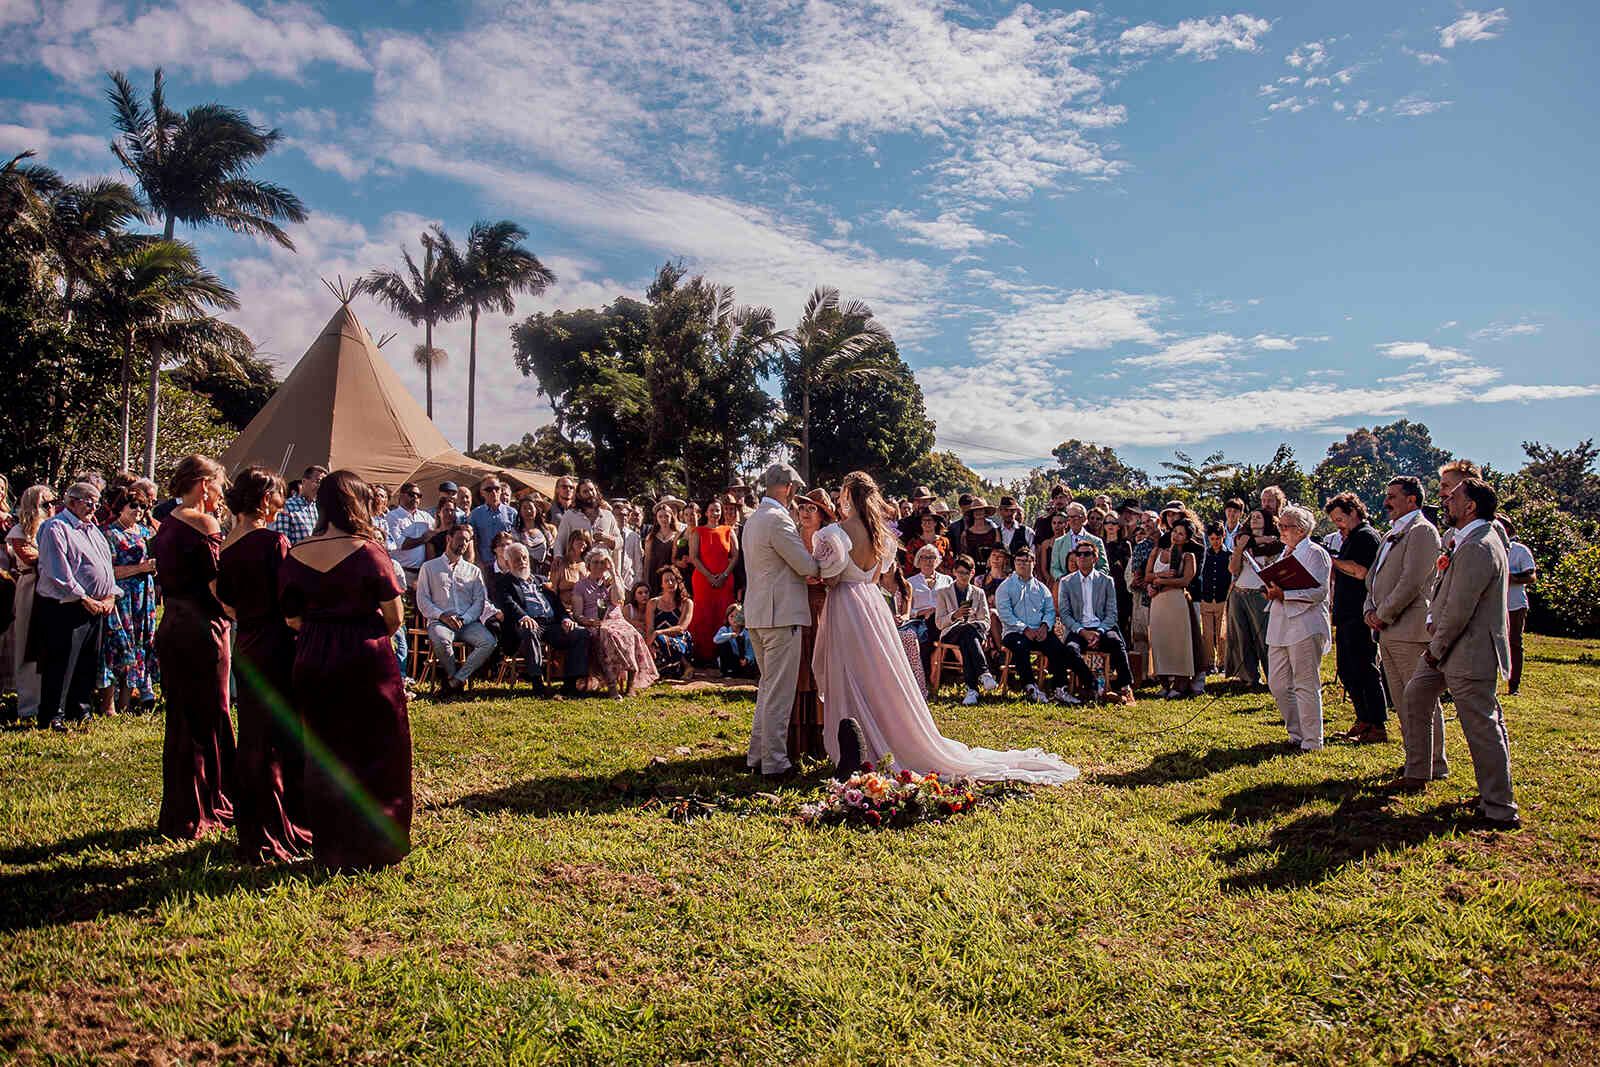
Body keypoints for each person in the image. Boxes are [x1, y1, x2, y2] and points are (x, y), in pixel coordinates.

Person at [813, 471, 1078, 782]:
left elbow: (829, 578)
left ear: (846, 495)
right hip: (871, 606)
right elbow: (875, 579)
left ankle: (855, 744)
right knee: (877, 674)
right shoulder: (880, 536)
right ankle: (879, 736)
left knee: (849, 671)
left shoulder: (836, 533)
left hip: (845, 603)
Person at [279, 469, 410, 869]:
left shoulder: (298, 552)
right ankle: (375, 843)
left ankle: (332, 844)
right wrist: (360, 631)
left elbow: (290, 618)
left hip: (314, 654)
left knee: (324, 749)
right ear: (358, 503)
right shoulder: (369, 551)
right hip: (365, 653)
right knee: (379, 746)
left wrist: (323, 629)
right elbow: (395, 617)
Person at [1391, 478, 1518, 828]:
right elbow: (1446, 591)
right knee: (1416, 694)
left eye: (1453, 498)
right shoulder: (1466, 540)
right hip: (1450, 647)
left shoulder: (1479, 546)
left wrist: (1435, 648)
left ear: (1470, 507)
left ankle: (1499, 808)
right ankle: (1420, 771)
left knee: (1481, 725)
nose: (1445, 501)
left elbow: (1462, 609)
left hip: (1468, 650)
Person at [216, 466, 310, 863]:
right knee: (280, 737)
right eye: (277, 495)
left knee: (255, 734)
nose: (282, 502)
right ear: (262, 498)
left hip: (248, 642)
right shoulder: (273, 542)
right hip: (276, 642)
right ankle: (277, 825)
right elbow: (290, 606)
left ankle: (255, 823)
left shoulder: (226, 545)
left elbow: (225, 603)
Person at [151, 456, 236, 838]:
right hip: (202, 629)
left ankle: (182, 806)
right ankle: (207, 803)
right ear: (204, 484)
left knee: (182, 717)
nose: (222, 495)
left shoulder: (167, 523)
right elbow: (220, 589)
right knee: (209, 714)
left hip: (172, 625)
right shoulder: (204, 523)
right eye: (220, 486)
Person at [742, 463, 821, 778]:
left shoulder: (754, 520)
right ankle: (775, 762)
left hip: (759, 613)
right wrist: (821, 564)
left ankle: (757, 756)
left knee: (767, 687)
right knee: (779, 691)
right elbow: (805, 565)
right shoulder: (778, 521)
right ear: (789, 488)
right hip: (781, 614)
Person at [1364, 476, 1443, 759]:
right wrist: (1368, 609)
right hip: (1386, 629)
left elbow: (1412, 581)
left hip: (1409, 629)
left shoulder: (1422, 531)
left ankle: (1433, 761)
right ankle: (1415, 757)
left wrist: (1382, 614)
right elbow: (1373, 576)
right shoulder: (1390, 534)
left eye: (1393, 497)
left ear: (1412, 500)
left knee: (1420, 699)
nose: (1386, 502)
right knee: (1400, 699)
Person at [33, 480, 117, 730]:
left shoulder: (93, 530)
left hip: (96, 606)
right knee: (61, 663)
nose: (93, 506)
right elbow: (58, 570)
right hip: (66, 605)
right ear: (71, 501)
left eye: (96, 501)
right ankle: (52, 716)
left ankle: (80, 710)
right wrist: (83, 597)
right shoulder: (55, 527)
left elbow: (106, 566)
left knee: (86, 662)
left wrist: (110, 594)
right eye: (88, 501)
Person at [1263, 505, 1333, 753]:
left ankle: (1312, 741)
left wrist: (1286, 594)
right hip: (1280, 624)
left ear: (1301, 530)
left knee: (1305, 683)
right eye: (1279, 525)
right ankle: (1297, 732)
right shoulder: (1284, 553)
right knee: (1278, 684)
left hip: (1305, 623)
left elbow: (1319, 592)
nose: (1280, 530)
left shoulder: (1316, 553)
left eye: (1286, 526)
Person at [1324, 493, 1387, 743]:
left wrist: (1331, 560)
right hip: (1347, 612)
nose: (1338, 525)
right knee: (1348, 670)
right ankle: (1363, 718)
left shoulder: (1366, 536)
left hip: (1360, 613)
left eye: (1340, 519)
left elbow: (1361, 571)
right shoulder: (1352, 537)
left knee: (1364, 669)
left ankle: (1377, 724)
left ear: (1354, 512)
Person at [492, 540, 587, 697]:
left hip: (552, 624)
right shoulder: (504, 582)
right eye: (517, 559)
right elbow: (507, 602)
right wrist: (523, 616)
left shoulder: (540, 580)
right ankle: (537, 683)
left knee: (580, 633)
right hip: (528, 623)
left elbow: (556, 603)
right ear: (508, 563)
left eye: (524, 558)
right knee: (529, 629)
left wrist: (565, 618)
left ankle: (570, 683)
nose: (522, 562)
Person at [97, 487, 159, 715]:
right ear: (120, 507)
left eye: (143, 506)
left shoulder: (144, 532)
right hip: (121, 596)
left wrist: (150, 570)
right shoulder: (109, 533)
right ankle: (108, 705)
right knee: (117, 646)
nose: (139, 510)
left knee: (139, 645)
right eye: (133, 505)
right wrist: (140, 568)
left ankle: (126, 702)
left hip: (144, 595)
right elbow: (108, 571)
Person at [417, 523, 498, 694]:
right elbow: (423, 600)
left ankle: (456, 681)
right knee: (441, 640)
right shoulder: (429, 567)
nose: (463, 543)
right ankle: (455, 679)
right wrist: (442, 616)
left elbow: (479, 601)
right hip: (440, 621)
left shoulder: (473, 571)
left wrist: (465, 619)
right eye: (460, 539)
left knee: (489, 642)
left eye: (467, 541)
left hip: (467, 622)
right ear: (448, 538)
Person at [994, 546, 1077, 705]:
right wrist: (1024, 628)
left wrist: (1045, 626)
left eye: (1026, 561)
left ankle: (1060, 688)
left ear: (1034, 563)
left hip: (1039, 631)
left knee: (1058, 648)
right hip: (1014, 632)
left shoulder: (1041, 588)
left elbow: (1050, 610)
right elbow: (1005, 613)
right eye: (1018, 561)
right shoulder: (1005, 586)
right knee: (1020, 646)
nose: (1022, 564)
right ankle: (1030, 687)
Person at [1056, 540, 1135, 704]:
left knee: (1116, 643)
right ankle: (1092, 685)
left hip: (1102, 627)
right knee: (1070, 650)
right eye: (1079, 554)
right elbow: (1065, 614)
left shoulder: (1106, 581)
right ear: (1075, 558)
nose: (1083, 557)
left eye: (1087, 554)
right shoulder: (1066, 582)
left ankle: (1124, 687)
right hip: (1078, 629)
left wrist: (1099, 632)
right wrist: (1082, 632)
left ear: (1095, 558)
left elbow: (1112, 613)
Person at [572, 547, 657, 698]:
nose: (599, 566)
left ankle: (630, 685)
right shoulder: (581, 586)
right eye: (595, 562)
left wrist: (613, 572)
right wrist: (589, 621)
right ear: (588, 564)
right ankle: (612, 686)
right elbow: (578, 614)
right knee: (608, 634)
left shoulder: (611, 582)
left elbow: (618, 600)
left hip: (616, 620)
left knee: (631, 633)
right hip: (596, 623)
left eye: (602, 563)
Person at [789, 487, 833, 760]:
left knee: (818, 662)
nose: (805, 512)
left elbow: (835, 572)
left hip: (820, 605)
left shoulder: (826, 540)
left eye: (811, 508)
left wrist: (820, 577)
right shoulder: (791, 537)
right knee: (797, 665)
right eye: (802, 507)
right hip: (794, 603)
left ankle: (820, 736)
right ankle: (796, 736)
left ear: (822, 514)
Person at [4, 485, 51, 724]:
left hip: (52, 590)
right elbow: (30, 558)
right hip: (30, 588)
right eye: (46, 504)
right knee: (27, 645)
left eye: (53, 503)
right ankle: (28, 705)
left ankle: (49, 700)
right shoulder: (19, 531)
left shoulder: (55, 528)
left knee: (48, 646)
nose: (51, 508)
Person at [934, 553, 999, 705]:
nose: (964, 576)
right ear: (954, 572)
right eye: (960, 572)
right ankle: (984, 673)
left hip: (973, 631)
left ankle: (972, 689)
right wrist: (954, 615)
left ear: (973, 573)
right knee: (966, 632)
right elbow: (939, 623)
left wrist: (975, 623)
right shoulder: (943, 592)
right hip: (951, 631)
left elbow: (986, 621)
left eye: (967, 573)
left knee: (967, 636)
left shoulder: (978, 592)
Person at [1145, 519, 1199, 699]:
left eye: (1181, 533)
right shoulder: (1157, 552)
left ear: (1187, 538)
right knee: (1159, 641)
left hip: (1176, 600)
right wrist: (1160, 576)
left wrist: (1162, 582)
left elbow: (1185, 580)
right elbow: (1147, 575)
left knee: (1178, 642)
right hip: (1158, 601)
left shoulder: (1188, 557)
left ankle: (1180, 682)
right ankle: (1163, 682)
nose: (1176, 535)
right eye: (1175, 531)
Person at [1227, 508, 1276, 688]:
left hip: (1260, 593)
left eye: (1259, 517)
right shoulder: (1241, 541)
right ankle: (1249, 677)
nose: (1255, 520)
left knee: (1265, 637)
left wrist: (1260, 542)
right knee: (1242, 637)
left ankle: (1274, 675)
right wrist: (1240, 548)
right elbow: (1233, 569)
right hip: (1239, 591)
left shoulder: (1274, 542)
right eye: (1253, 517)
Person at [688, 497, 740, 663]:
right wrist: (709, 576)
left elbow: (735, 555)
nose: (715, 513)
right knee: (703, 614)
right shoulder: (697, 531)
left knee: (724, 614)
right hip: (703, 579)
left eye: (718, 510)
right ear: (705, 512)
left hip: (725, 579)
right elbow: (694, 557)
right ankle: (702, 655)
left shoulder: (728, 530)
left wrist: (724, 575)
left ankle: (725, 656)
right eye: (711, 510)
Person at [905, 543, 953, 681]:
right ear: (918, 561)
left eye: (932, 557)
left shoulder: (947, 580)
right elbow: (908, 609)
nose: (928, 561)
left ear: (937, 560)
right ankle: (927, 676)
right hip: (920, 620)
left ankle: (930, 675)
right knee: (926, 636)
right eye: (924, 557)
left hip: (942, 620)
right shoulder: (910, 582)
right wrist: (921, 612)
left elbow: (952, 603)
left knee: (934, 627)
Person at [553, 479, 621, 573]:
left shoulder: (608, 515)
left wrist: (606, 538)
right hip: (578, 572)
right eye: (585, 492)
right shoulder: (570, 515)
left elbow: (619, 542)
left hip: (604, 573)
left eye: (592, 490)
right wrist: (558, 556)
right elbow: (560, 540)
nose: (590, 493)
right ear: (578, 495)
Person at [1502, 516, 1536, 695]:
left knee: (1514, 643)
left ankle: (1513, 685)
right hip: (1493, 604)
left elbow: (1531, 576)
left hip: (1515, 604)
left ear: (1507, 529)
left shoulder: (1520, 551)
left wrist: (1513, 578)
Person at [1196, 521, 1231, 676]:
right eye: (1212, 539)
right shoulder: (1205, 554)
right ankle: (1210, 662)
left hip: (1222, 598)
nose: (1215, 542)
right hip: (1207, 598)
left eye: (1218, 538)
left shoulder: (1229, 555)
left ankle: (1223, 662)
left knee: (1222, 634)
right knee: (1208, 634)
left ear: (1223, 537)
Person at [384, 482, 434, 588]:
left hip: (422, 573)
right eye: (412, 494)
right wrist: (424, 538)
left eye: (419, 495)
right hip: (402, 573)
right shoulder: (392, 517)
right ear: (401, 495)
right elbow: (401, 545)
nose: (416, 498)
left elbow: (436, 533)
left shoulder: (425, 516)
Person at [648, 566, 694, 679]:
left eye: (673, 580)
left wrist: (659, 633)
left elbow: (681, 628)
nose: (670, 583)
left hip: (679, 640)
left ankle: (685, 666)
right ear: (661, 584)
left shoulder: (686, 603)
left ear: (678, 582)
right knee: (657, 644)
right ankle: (674, 667)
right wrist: (649, 645)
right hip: (657, 642)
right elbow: (649, 629)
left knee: (662, 639)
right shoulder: (653, 603)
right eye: (666, 580)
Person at [467, 476, 517, 568]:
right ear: (482, 493)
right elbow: (472, 541)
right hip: (486, 565)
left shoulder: (512, 513)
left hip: (508, 564)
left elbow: (517, 540)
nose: (494, 492)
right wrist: (477, 561)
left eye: (497, 488)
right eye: (489, 489)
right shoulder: (475, 515)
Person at [270, 465, 326, 545]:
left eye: (323, 484)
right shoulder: (287, 506)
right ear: (304, 481)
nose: (320, 487)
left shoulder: (319, 509)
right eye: (318, 481)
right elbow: (282, 543)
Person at [641, 499, 685, 596]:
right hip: (655, 577)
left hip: (671, 578)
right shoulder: (651, 537)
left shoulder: (678, 535)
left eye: (666, 516)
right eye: (660, 516)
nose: (664, 519)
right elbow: (647, 561)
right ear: (656, 519)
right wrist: (645, 580)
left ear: (671, 517)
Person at [513, 494, 555, 579]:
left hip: (545, 574)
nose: (528, 511)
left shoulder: (546, 531)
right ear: (520, 511)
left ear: (536, 510)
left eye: (531, 508)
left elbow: (552, 550)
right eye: (524, 508)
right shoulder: (516, 533)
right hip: (524, 575)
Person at [902, 510, 951, 575]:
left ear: (935, 523)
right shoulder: (913, 542)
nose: (927, 523)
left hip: (939, 579)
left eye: (929, 520)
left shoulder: (944, 541)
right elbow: (908, 565)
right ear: (921, 524)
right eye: (924, 521)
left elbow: (950, 562)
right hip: (918, 579)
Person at [714, 604, 757, 678]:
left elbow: (751, 649)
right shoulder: (725, 629)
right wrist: (730, 635)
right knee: (723, 644)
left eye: (738, 616)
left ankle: (742, 672)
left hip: (743, 659)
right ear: (727, 618)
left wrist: (747, 659)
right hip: (731, 658)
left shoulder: (747, 632)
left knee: (750, 671)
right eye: (731, 616)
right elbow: (716, 639)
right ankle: (727, 670)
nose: (734, 619)